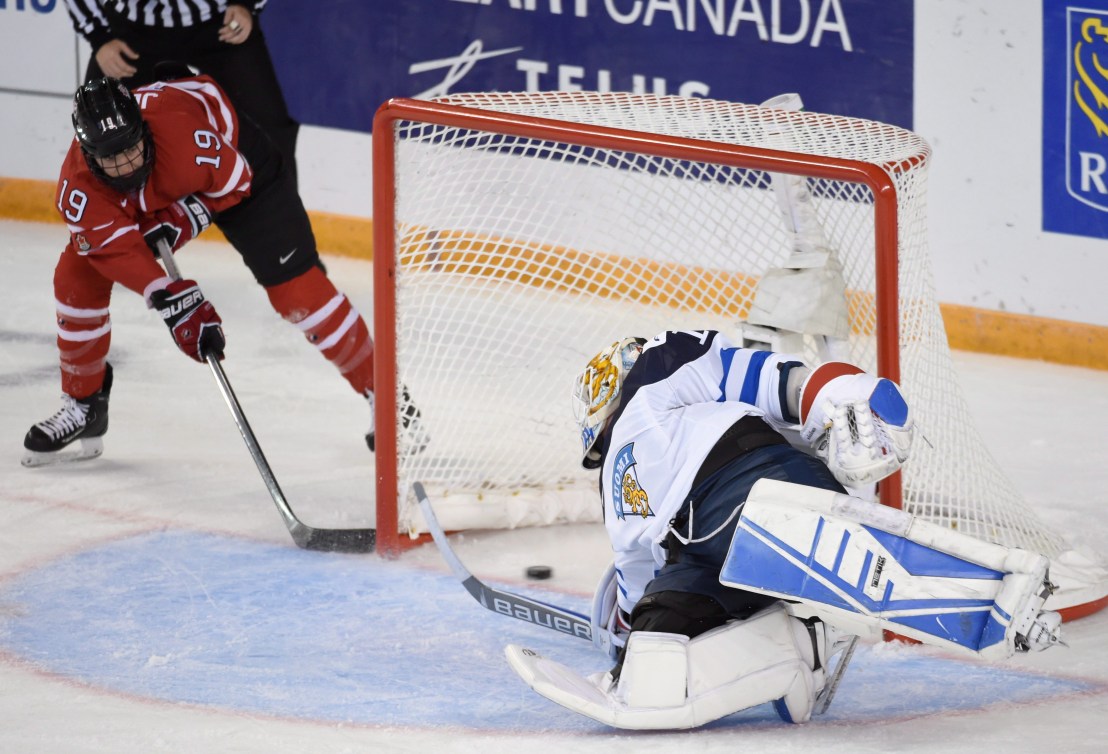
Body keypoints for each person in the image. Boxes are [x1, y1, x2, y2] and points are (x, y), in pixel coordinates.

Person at [503, 329, 1061, 729]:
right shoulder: (612, 494)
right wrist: (630, 636)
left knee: (770, 530)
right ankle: (795, 646)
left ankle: (994, 596)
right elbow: (636, 574)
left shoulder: (660, 374)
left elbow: (754, 374)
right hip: (701, 555)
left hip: (754, 482)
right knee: (656, 666)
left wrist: (829, 390)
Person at [21, 74, 422, 467]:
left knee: (297, 292)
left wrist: (182, 217)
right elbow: (118, 253)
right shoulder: (79, 189)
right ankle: (84, 403)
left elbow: (235, 181)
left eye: (131, 148)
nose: (126, 166)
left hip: (239, 167)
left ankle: (385, 397)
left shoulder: (182, 137)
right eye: (111, 158)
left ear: (143, 129)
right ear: (88, 156)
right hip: (161, 187)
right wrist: (172, 302)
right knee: (76, 275)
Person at [63, 1, 300, 184]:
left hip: (221, 21)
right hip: (133, 29)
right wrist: (99, 37)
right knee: (99, 131)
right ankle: (101, 232)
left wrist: (246, 4)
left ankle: (287, 234)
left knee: (270, 131)